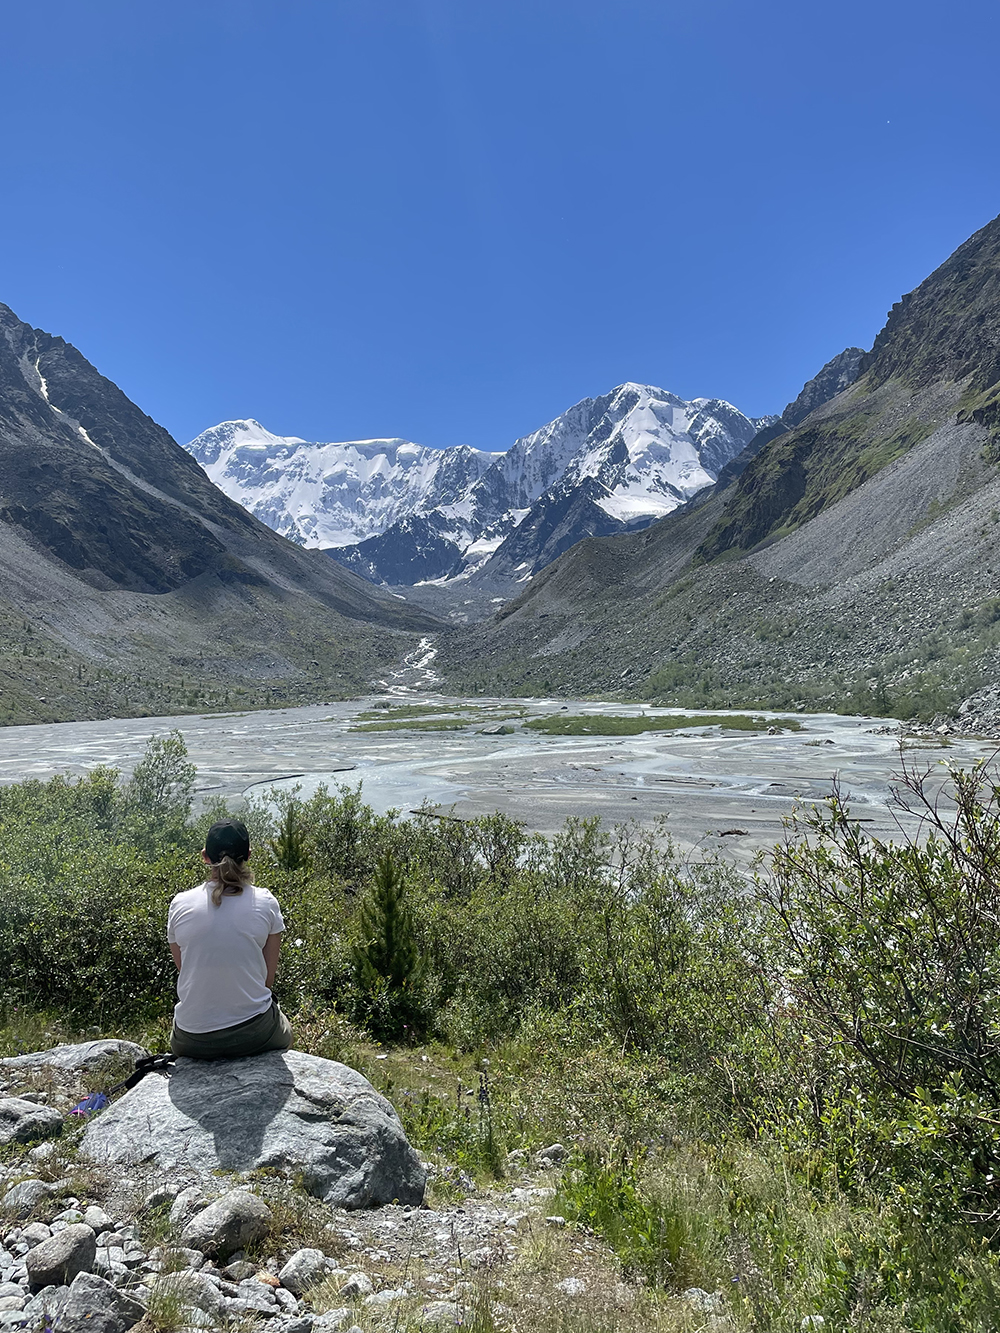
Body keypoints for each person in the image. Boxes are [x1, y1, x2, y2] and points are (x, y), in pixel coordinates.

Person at [167, 818, 293, 1059]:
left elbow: (186, 969)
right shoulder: (265, 902)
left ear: (205, 856)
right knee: (285, 1031)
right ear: (248, 854)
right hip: (254, 1034)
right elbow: (266, 980)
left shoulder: (179, 904)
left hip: (191, 1039)